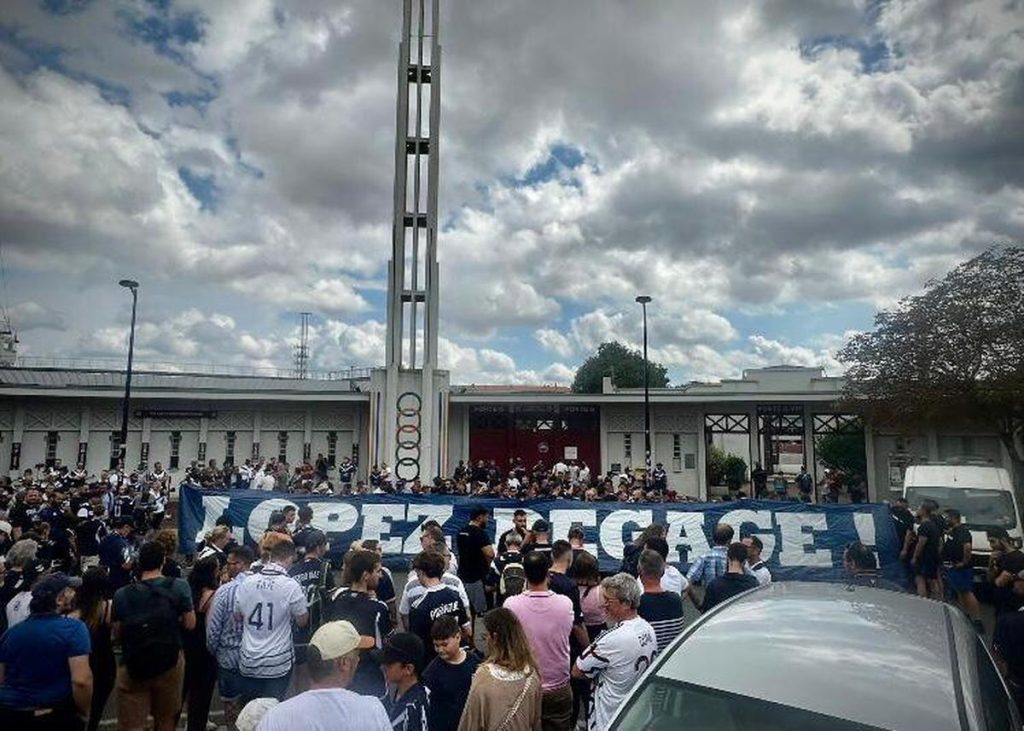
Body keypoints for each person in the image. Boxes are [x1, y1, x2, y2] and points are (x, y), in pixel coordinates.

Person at [112, 541, 195, 731]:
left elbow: (117, 633)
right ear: (163, 561)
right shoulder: (179, 587)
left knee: (131, 723)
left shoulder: (122, 594)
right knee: (166, 719)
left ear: (139, 563)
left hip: (133, 661)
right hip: (170, 659)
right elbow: (190, 624)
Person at [254, 621, 389, 731]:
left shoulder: (275, 718)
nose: (358, 660)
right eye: (357, 655)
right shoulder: (372, 710)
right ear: (344, 663)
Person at [0, 573, 92, 731]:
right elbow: (82, 681)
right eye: (69, 591)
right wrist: (84, 712)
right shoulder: (74, 629)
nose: (74, 594)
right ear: (58, 599)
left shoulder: (11, 633)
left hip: (11, 713)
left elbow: (1, 678)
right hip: (53, 714)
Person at [572, 573, 656, 731]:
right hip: (638, 713)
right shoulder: (648, 628)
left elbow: (577, 670)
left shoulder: (612, 639)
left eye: (608, 601)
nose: (603, 605)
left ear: (625, 603)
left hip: (610, 716)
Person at [504, 551, 575, 731]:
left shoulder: (511, 605)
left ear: (525, 575)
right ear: (548, 573)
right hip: (557, 685)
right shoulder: (565, 604)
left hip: (523, 684)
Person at [234, 538, 309, 702]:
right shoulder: (291, 586)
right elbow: (302, 620)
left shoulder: (247, 582)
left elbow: (237, 616)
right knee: (272, 711)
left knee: (251, 712)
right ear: (289, 558)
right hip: (277, 661)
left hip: (249, 658)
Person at [458, 607, 542, 731]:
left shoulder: (484, 676)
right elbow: (535, 721)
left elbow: (470, 723)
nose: (485, 640)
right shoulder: (532, 674)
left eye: (486, 635)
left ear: (495, 637)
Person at [325, 548, 393, 697]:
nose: (380, 575)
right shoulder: (378, 608)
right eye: (377, 571)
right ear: (365, 575)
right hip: (369, 680)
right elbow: (385, 646)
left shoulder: (337, 598)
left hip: (338, 676)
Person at [206, 545, 255, 729]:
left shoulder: (225, 591)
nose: (227, 567)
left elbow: (213, 631)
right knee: (255, 708)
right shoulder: (266, 587)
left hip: (229, 658)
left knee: (232, 710)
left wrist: (217, 652)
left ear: (241, 564)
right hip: (257, 656)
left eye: (230, 563)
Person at [289, 529, 335, 690]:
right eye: (324, 545)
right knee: (320, 672)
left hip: (298, 629)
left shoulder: (293, 570)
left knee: (300, 673)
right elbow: (330, 598)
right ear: (318, 547)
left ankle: (300, 704)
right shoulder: (325, 567)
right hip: (319, 627)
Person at [407, 551, 471, 663]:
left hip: (433, 661)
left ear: (420, 572)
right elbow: (467, 630)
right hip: (457, 656)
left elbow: (416, 646)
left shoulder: (419, 607)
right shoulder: (455, 595)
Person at [422, 615, 480, 731]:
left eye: (444, 644)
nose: (440, 650)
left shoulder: (474, 662)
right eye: (436, 645)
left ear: (458, 637)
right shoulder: (432, 672)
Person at [75, 567, 116, 731]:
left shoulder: (75, 609)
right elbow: (116, 632)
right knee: (97, 706)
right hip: (104, 661)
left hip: (81, 658)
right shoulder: (107, 607)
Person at [183, 556, 220, 731]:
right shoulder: (213, 596)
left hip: (186, 647)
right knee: (201, 697)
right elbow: (213, 626)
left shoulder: (187, 591)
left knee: (182, 692)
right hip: (205, 650)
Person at [375, 632, 429, 731]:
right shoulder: (392, 692)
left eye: (388, 664)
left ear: (408, 669)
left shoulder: (414, 710)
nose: (382, 667)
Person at [637, 550, 684, 653]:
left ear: (640, 572)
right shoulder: (676, 600)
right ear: (662, 572)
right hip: (671, 658)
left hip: (650, 663)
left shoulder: (638, 605)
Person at [942, 508, 982, 627]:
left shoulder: (962, 531)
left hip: (962, 568)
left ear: (954, 518)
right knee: (960, 591)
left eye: (947, 518)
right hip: (954, 567)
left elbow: (967, 547)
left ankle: (977, 620)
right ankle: (965, 615)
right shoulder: (954, 531)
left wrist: (963, 562)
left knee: (967, 592)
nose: (945, 520)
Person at [549, 540, 591, 651]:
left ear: (552, 556)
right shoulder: (569, 586)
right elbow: (577, 625)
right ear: (570, 558)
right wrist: (588, 649)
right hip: (564, 643)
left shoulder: (540, 580)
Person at [456, 506, 494, 622]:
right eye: (486, 517)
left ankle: (469, 638)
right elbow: (490, 553)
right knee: (485, 611)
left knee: (467, 610)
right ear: (479, 518)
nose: (487, 520)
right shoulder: (480, 533)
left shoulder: (461, 532)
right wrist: (488, 567)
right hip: (478, 577)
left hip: (463, 574)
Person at [701, 543, 760, 612]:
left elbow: (707, 613)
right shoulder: (753, 584)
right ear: (744, 561)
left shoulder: (714, 585)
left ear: (728, 558)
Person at [685, 522, 734, 605]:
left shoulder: (703, 557)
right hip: (730, 604)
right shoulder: (734, 558)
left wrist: (698, 603)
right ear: (729, 540)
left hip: (710, 604)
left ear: (713, 538)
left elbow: (687, 582)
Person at [911, 499, 943, 600]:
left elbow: (921, 543)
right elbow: (940, 542)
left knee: (920, 579)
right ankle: (938, 601)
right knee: (933, 580)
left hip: (925, 558)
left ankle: (923, 602)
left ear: (924, 510)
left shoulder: (924, 526)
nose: (917, 510)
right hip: (933, 556)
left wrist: (915, 557)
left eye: (919, 508)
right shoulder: (933, 525)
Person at [987, 528, 1024, 614]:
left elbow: (1000, 582)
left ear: (1003, 540)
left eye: (993, 541)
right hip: (1000, 603)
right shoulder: (1000, 556)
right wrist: (991, 563)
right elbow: (990, 579)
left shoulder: (1016, 557)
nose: (991, 545)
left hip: (1012, 605)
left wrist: (995, 579)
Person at [98, 518, 133, 591]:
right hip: (119, 579)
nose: (129, 532)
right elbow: (126, 565)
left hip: (104, 576)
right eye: (129, 529)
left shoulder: (105, 538)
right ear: (125, 527)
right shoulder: (122, 543)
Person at [492, 531, 526, 605]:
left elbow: (489, 585)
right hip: (522, 602)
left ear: (505, 544)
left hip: (502, 601)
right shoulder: (526, 560)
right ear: (520, 545)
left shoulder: (497, 561)